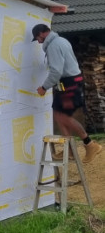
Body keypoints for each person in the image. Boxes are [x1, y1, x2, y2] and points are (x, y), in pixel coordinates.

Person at [32, 23, 102, 164]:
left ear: (42, 33)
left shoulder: (53, 46)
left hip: (69, 83)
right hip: (69, 82)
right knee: (58, 114)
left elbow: (56, 71)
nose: (38, 42)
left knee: (63, 116)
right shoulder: (61, 41)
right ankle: (69, 150)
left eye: (38, 38)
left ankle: (90, 144)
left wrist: (44, 87)